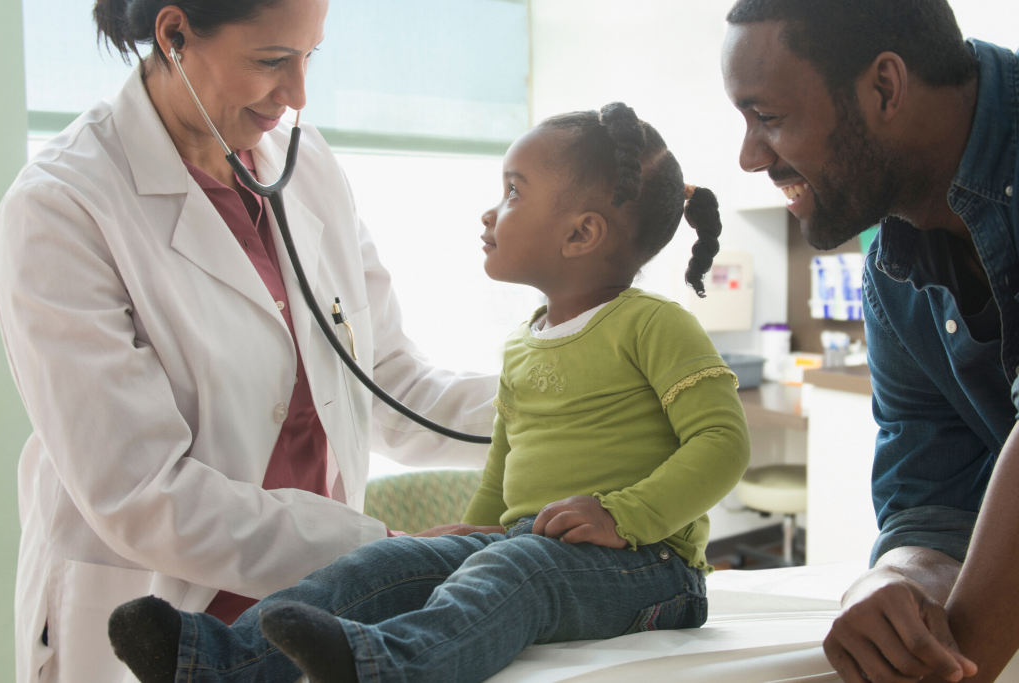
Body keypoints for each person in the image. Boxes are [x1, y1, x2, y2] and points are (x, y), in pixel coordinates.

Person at [106, 101, 751, 683]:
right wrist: (475, 526)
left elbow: (723, 442)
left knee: (513, 572)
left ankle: (388, 666)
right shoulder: (525, 341)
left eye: (514, 192)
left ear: (581, 235)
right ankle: (217, 662)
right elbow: (507, 454)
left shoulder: (655, 324)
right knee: (388, 566)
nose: (491, 211)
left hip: (651, 567)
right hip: (533, 542)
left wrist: (624, 515)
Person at [0, 1, 503, 681]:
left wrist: (562, 403)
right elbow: (143, 491)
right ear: (174, 35)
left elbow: (389, 384)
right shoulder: (64, 204)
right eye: (271, 61)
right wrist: (383, 551)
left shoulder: (308, 168)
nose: (297, 95)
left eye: (309, 57)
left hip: (306, 615)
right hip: (154, 612)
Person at [721, 1, 1019, 681]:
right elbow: (929, 499)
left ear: (885, 87)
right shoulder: (892, 276)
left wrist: (955, 656)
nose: (748, 155)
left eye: (768, 118)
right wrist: (895, 580)